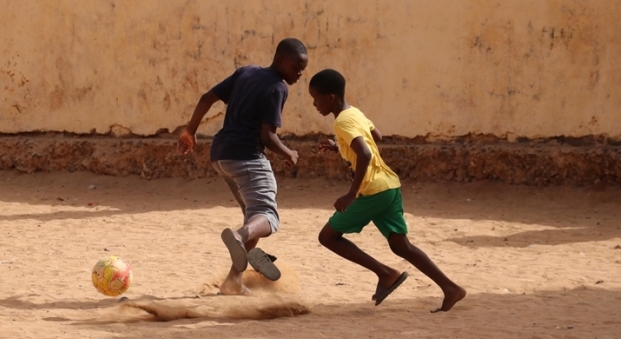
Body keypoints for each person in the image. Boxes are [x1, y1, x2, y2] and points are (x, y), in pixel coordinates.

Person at [308, 69, 466, 312]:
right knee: (401, 246)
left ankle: (386, 273)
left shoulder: (341, 121)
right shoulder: (355, 113)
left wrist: (351, 194)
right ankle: (451, 288)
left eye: (316, 98)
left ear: (330, 98)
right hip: (389, 185)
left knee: (327, 237)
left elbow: (365, 152)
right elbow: (376, 136)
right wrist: (339, 145)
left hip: (373, 190)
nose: (314, 104)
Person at [177, 38, 309, 295]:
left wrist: (190, 131)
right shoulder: (277, 88)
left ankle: (233, 282)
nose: (299, 74)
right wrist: (288, 153)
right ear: (280, 60)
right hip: (247, 157)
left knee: (254, 216)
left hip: (221, 155)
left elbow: (207, 97)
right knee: (268, 217)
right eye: (296, 68)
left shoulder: (246, 71)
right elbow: (267, 136)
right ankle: (239, 237)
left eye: (303, 69)